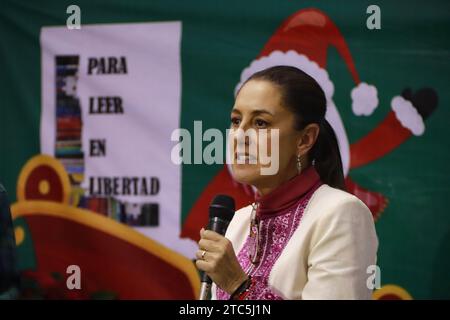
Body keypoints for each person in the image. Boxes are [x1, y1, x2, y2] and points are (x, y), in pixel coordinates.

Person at [195, 66, 378, 300]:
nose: (240, 136)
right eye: (236, 120)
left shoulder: (341, 214)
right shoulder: (239, 222)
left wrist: (238, 285)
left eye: (260, 123)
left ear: (304, 139)